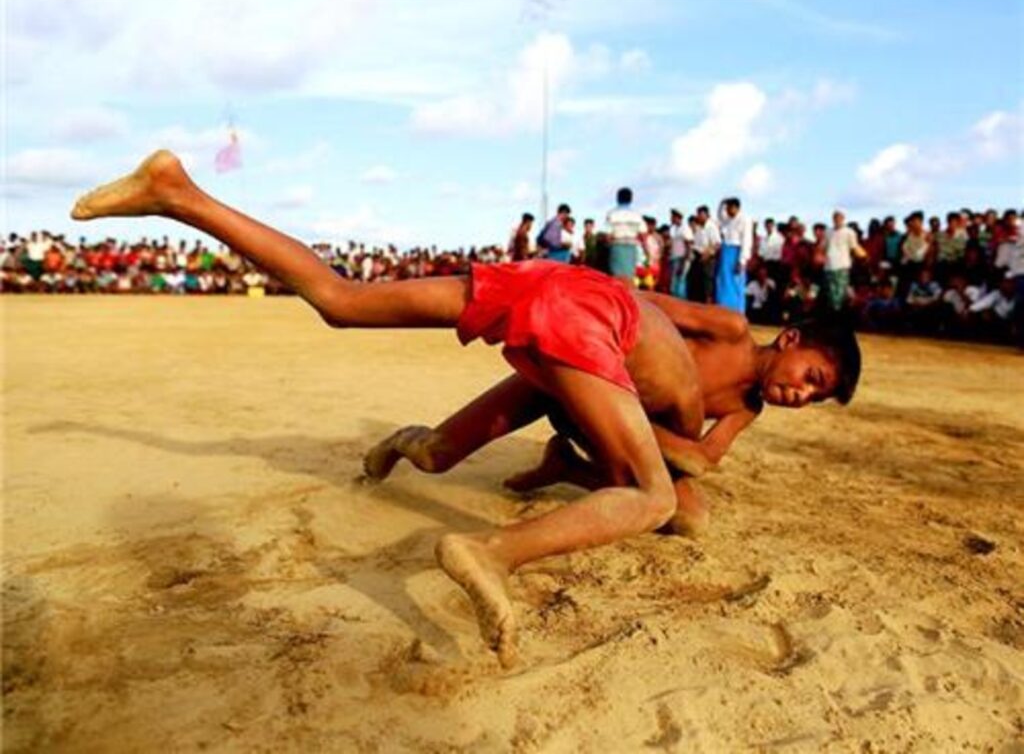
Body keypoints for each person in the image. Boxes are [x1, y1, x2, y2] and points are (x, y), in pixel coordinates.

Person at [70, 150, 715, 667]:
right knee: (656, 499)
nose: (798, 394)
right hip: (588, 317)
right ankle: (492, 553)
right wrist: (594, 470)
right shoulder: (683, 404)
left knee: (342, 301)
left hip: (557, 285)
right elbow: (685, 496)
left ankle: (178, 193)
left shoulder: (656, 358)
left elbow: (551, 387)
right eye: (812, 381)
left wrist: (536, 458)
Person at [365, 298, 860, 542]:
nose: (802, 394)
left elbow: (704, 458)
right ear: (790, 340)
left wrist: (647, 436)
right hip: (573, 375)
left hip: (617, 424)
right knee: (435, 456)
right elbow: (644, 308)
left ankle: (566, 466)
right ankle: (401, 441)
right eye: (811, 377)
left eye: (814, 397)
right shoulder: (728, 330)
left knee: (689, 517)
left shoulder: (746, 407)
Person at [823, 210, 868, 311]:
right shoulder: (828, 231)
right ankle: (833, 317)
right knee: (831, 294)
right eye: (835, 217)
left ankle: (840, 317)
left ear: (843, 218)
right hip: (829, 266)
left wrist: (865, 256)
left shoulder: (849, 232)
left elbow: (855, 247)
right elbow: (823, 247)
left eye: (839, 217)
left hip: (842, 266)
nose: (836, 219)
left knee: (841, 294)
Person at [715, 198, 753, 313]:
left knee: (736, 282)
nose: (727, 211)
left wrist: (742, 260)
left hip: (736, 252)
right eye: (726, 209)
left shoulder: (745, 220)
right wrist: (722, 202)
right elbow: (719, 216)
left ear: (736, 208)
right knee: (723, 281)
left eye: (729, 208)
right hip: (726, 251)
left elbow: (747, 241)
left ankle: (737, 311)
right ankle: (723, 308)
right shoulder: (728, 220)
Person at [606, 187, 644, 285]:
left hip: (617, 245)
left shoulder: (612, 213)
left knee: (616, 277)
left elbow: (608, 235)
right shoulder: (636, 215)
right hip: (632, 246)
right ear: (631, 199)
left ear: (617, 198)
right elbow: (643, 233)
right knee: (630, 276)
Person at [667, 208, 693, 299]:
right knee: (674, 283)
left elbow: (689, 245)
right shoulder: (674, 229)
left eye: (672, 217)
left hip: (682, 259)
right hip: (675, 258)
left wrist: (684, 261)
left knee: (680, 282)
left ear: (677, 217)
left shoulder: (685, 229)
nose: (671, 218)